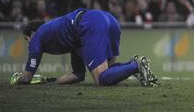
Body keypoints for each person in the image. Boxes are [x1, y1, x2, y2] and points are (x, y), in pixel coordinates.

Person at [10, 8, 158, 86]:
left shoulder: (37, 37)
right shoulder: (67, 38)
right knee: (108, 71)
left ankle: (136, 66)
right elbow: (78, 75)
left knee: (102, 79)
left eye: (26, 38)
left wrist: (18, 78)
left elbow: (26, 77)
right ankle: (133, 63)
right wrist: (52, 82)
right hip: (107, 18)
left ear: (32, 33)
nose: (28, 43)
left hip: (90, 24)